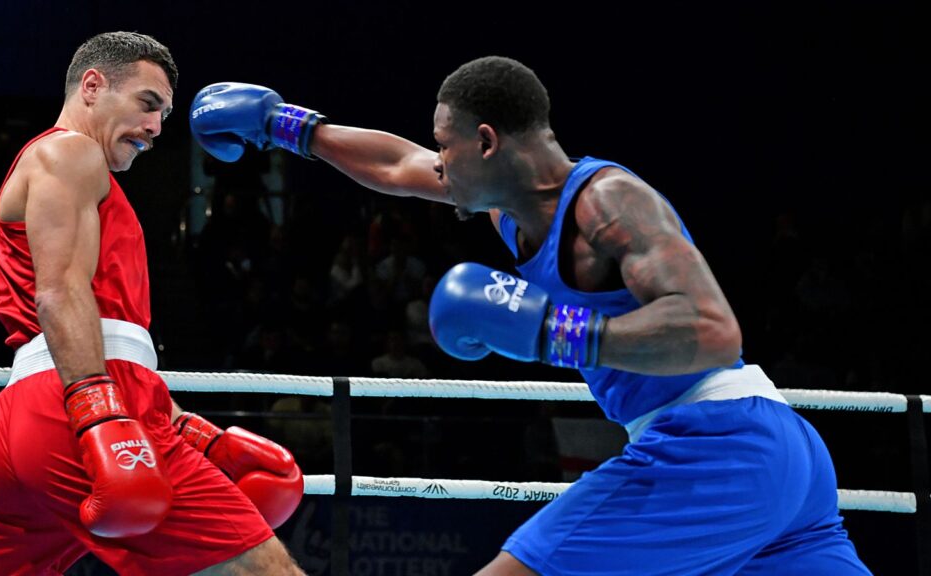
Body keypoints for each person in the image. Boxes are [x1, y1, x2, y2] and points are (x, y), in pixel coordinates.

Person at [188, 57, 872, 574]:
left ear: (487, 141)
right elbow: (397, 164)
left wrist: (555, 331)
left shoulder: (609, 203)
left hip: (716, 442)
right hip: (776, 454)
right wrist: (285, 125)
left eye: (446, 147)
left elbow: (711, 330)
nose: (438, 164)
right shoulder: (509, 210)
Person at [0, 32, 305, 575]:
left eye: (163, 113)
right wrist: (99, 414)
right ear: (92, 86)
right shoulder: (69, 152)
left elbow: (112, 337)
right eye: (147, 103)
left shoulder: (76, 173)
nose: (157, 126)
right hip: (72, 406)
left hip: (27, 423)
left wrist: (191, 430)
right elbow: (60, 293)